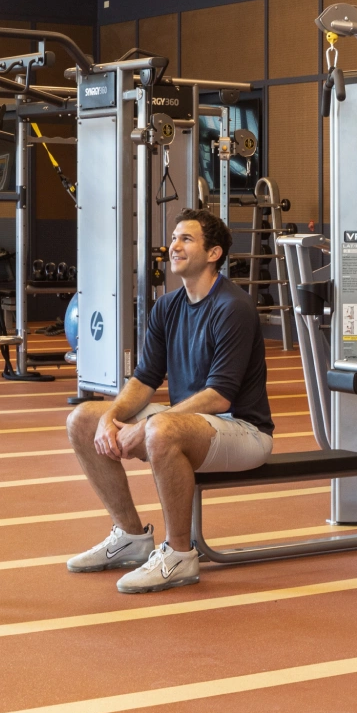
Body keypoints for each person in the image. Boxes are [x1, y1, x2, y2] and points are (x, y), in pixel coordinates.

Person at [64, 208, 275, 594]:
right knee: (83, 418)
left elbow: (219, 396)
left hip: (243, 429)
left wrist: (145, 427)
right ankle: (130, 536)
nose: (174, 246)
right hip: (190, 425)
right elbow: (144, 379)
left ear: (213, 253)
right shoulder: (167, 306)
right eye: (175, 238)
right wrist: (111, 417)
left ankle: (179, 554)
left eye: (186, 239)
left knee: (161, 429)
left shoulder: (233, 307)